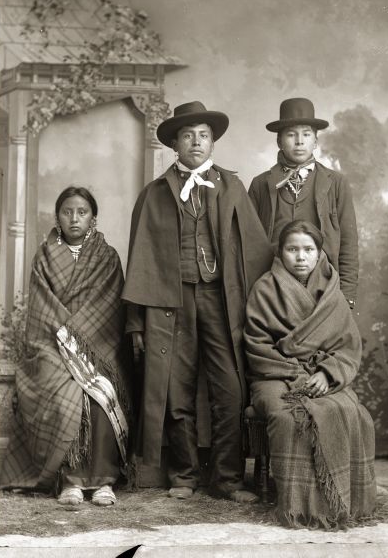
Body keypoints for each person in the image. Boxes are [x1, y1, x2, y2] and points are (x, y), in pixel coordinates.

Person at [122, 101, 273, 502]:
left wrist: (257, 309)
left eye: (203, 135)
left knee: (229, 390)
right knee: (175, 390)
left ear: (212, 141)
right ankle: (184, 475)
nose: (196, 142)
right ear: (174, 143)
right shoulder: (154, 194)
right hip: (170, 303)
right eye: (187, 135)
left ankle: (226, 479)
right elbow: (140, 260)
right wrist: (136, 321)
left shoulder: (232, 186)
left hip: (222, 300)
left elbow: (255, 252)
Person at [0, 187, 132, 506]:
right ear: (57, 217)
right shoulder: (44, 256)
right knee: (65, 397)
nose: (74, 218)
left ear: (93, 218)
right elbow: (42, 308)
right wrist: (66, 337)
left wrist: (79, 339)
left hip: (97, 349)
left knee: (99, 396)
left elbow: (108, 309)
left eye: (82, 212)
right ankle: (69, 481)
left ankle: (103, 482)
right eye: (67, 212)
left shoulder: (107, 257)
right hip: (52, 346)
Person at [244, 220, 376, 529]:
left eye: (308, 249)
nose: (300, 257)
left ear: (319, 253)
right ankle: (299, 506)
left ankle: (345, 499)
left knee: (354, 413)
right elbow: (257, 345)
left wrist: (328, 375)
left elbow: (347, 346)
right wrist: (296, 374)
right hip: (275, 374)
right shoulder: (265, 288)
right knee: (289, 418)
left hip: (322, 374)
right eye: (292, 249)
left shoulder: (332, 290)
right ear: (280, 252)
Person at [248, 97, 358, 307]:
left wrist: (347, 295)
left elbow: (349, 244)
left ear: (315, 141)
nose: (299, 141)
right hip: (273, 287)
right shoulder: (261, 184)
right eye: (291, 135)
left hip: (325, 287)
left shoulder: (335, 183)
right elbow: (248, 245)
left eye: (306, 134)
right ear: (279, 141)